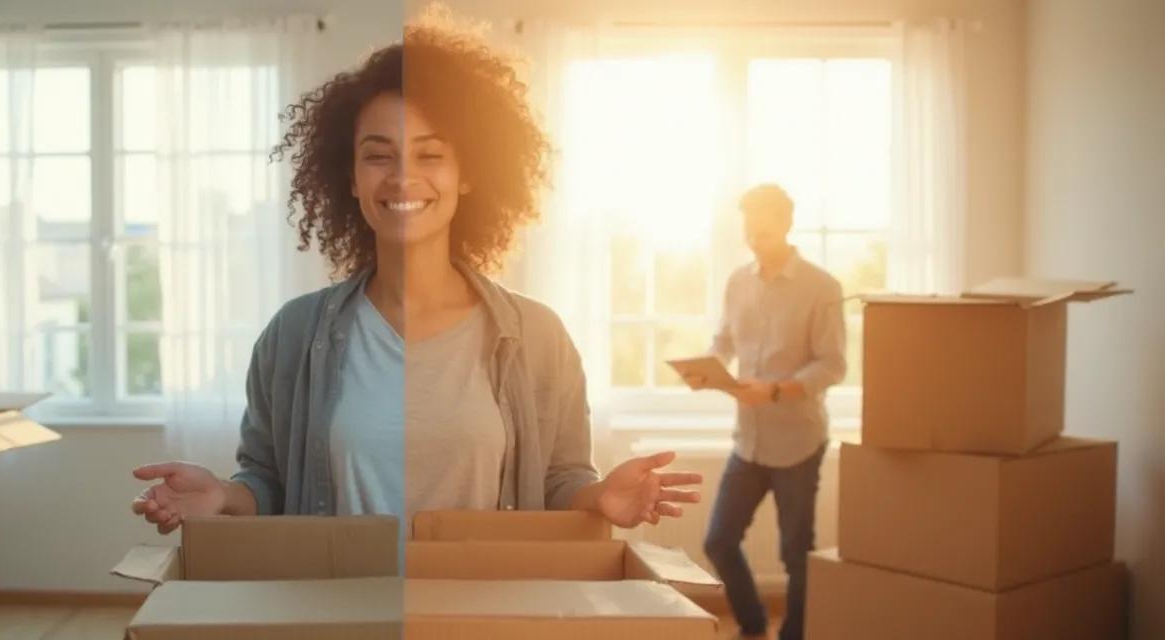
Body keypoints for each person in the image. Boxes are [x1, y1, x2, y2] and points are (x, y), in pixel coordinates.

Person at [131, 11, 701, 534]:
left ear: (468, 174)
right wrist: (225, 497)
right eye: (378, 156)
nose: (403, 178)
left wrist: (600, 497)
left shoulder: (538, 336)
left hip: (484, 612)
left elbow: (559, 481)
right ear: (349, 177)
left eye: (430, 155)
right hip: (341, 612)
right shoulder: (293, 335)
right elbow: (270, 484)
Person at [688, 184, 847, 640]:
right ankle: (754, 625)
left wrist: (776, 391)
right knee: (718, 540)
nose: (756, 241)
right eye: (749, 232)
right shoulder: (738, 281)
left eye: (765, 232)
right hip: (749, 441)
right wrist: (706, 368)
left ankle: (793, 635)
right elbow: (724, 340)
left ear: (787, 225)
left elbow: (833, 364)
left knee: (797, 554)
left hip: (799, 441)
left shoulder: (822, 287)